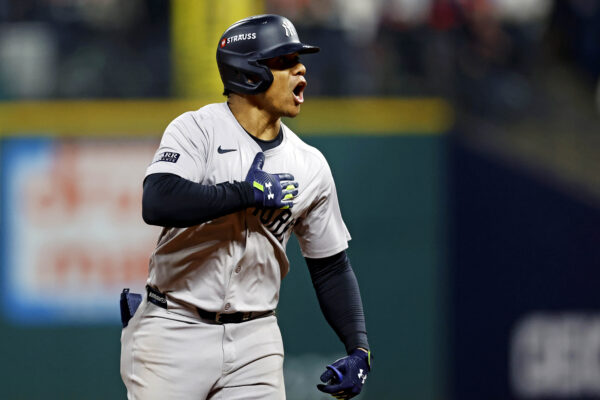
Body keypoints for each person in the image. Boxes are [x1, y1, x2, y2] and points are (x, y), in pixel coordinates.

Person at [120, 14, 371, 400]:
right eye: (284, 61)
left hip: (256, 341)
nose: (300, 68)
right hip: (172, 327)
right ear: (249, 72)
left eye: (298, 60)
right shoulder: (197, 129)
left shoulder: (310, 165)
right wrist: (243, 192)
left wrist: (358, 347)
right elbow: (157, 200)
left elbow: (331, 266)